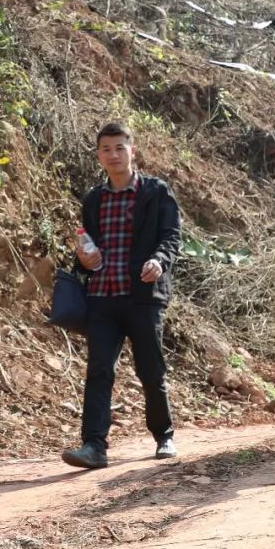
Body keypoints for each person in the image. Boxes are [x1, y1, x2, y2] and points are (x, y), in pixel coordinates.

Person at [61, 122, 182, 469]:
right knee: (99, 370)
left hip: (143, 294)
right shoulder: (94, 199)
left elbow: (171, 237)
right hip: (102, 295)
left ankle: (164, 435)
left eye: (119, 148)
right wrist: (84, 259)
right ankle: (94, 446)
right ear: (98, 156)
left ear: (133, 151)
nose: (113, 155)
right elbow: (87, 252)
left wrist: (159, 261)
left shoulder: (155, 192)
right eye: (106, 149)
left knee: (150, 369)